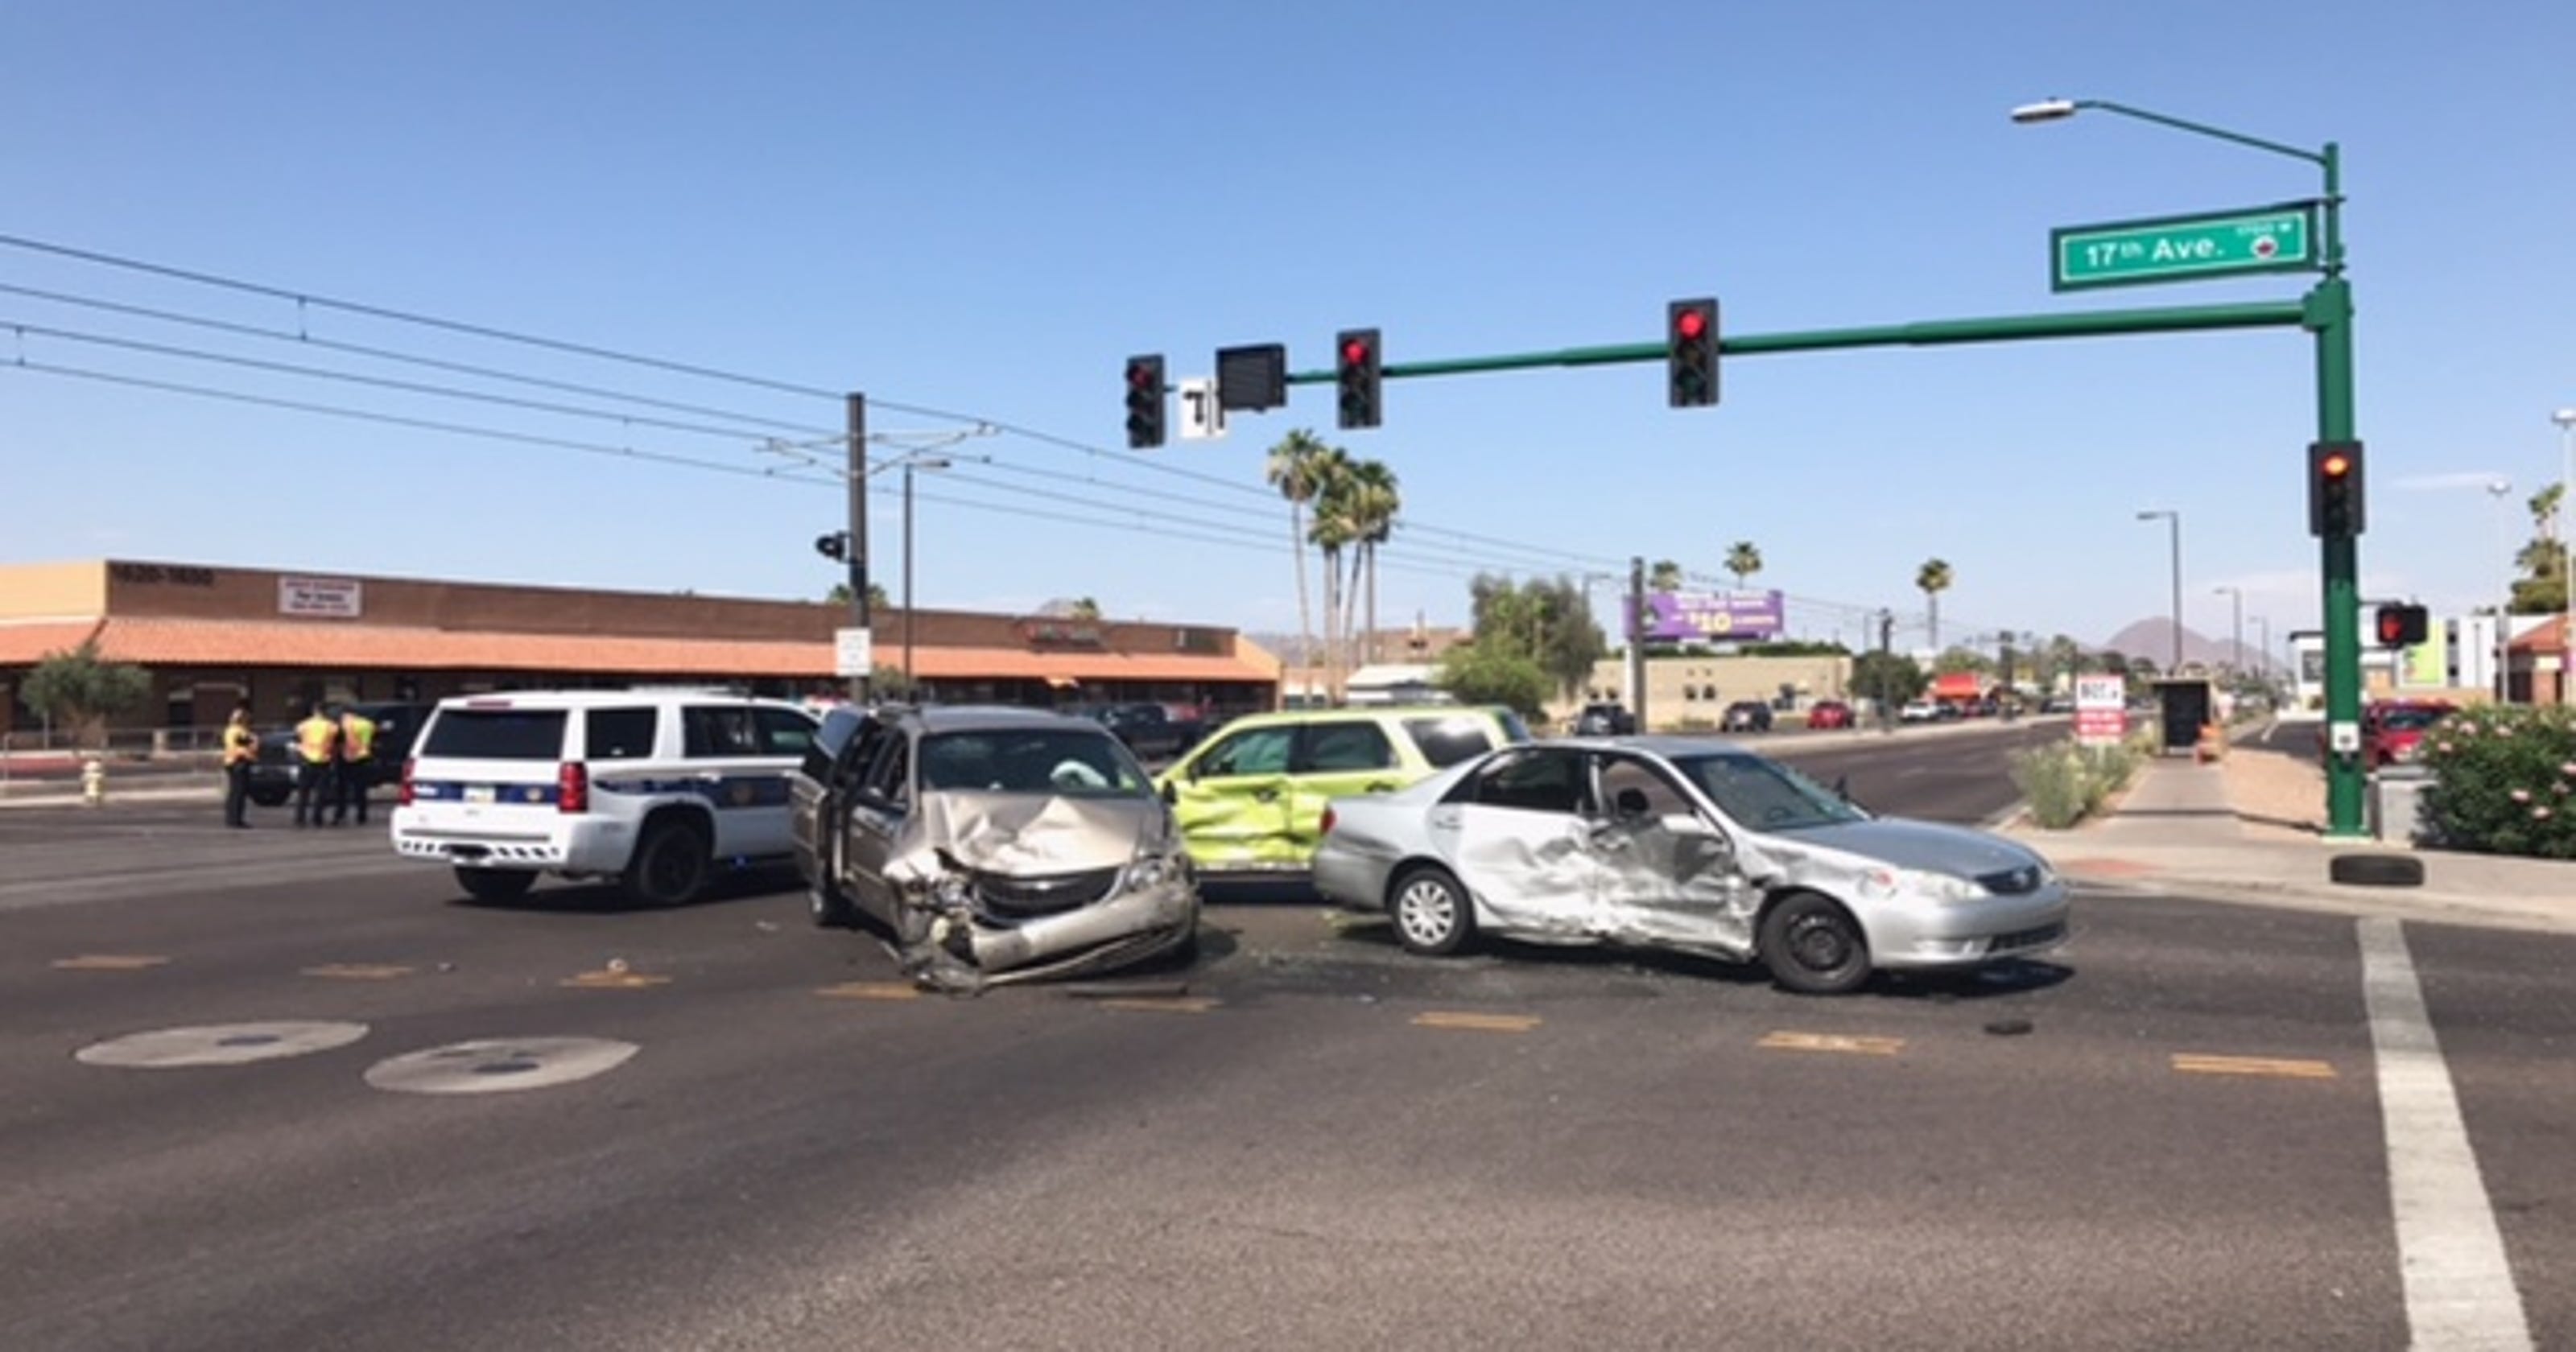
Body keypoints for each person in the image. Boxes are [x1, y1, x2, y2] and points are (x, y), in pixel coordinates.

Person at [291, 702, 340, 826]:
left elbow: (296, 740)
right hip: (324, 761)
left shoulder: (303, 726)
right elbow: (337, 743)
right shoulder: (332, 726)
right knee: (321, 792)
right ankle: (317, 818)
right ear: (326, 712)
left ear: (314, 711)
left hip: (306, 760)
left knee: (303, 792)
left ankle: (300, 818)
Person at [333, 704, 378, 826]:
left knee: (342, 790)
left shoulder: (343, 725)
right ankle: (362, 815)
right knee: (361, 789)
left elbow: (338, 741)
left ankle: (340, 814)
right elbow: (374, 739)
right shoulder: (368, 724)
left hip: (345, 758)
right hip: (363, 758)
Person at [221, 704, 258, 828]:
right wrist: (251, 745)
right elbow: (240, 746)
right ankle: (235, 819)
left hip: (237, 762)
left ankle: (234, 818)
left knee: (237, 792)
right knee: (238, 792)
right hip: (238, 763)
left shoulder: (239, 730)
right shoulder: (236, 731)